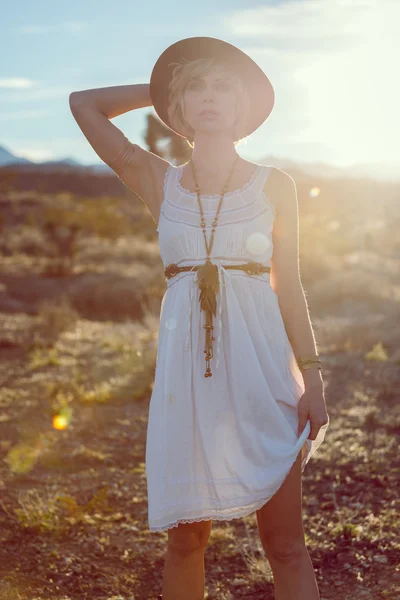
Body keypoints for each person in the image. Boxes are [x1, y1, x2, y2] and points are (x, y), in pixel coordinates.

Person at [70, 36, 329, 600]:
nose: (210, 99)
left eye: (222, 89)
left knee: (285, 544)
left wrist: (312, 376)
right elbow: (82, 102)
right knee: (186, 542)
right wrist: (161, 88)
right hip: (188, 384)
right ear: (180, 110)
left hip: (265, 372)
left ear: (243, 109)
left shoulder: (274, 185)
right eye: (196, 91)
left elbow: (290, 284)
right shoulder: (158, 181)